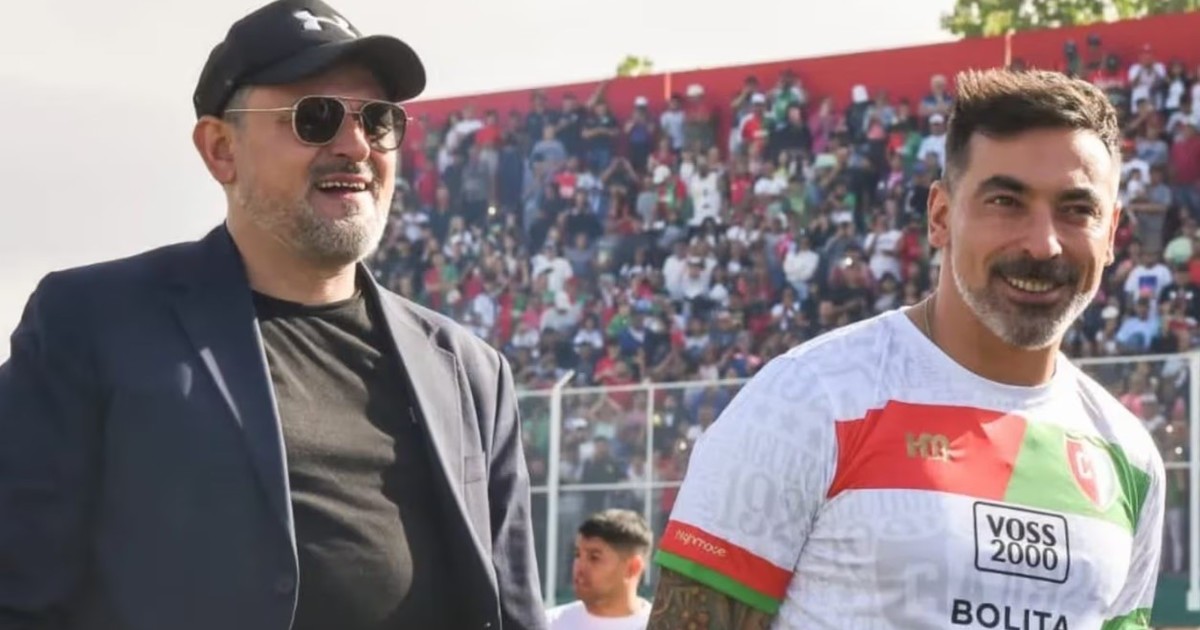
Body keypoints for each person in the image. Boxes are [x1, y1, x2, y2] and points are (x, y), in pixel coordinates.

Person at [0, 1, 544, 629]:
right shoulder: (94, 324)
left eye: (377, 119)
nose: (355, 146)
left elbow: (513, 612)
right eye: (315, 118)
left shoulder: (469, 372)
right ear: (220, 149)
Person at [649, 69, 1166, 629]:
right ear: (940, 216)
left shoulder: (1129, 455)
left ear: (1111, 233)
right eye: (1006, 201)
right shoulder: (807, 400)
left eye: (1077, 210)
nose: (1043, 244)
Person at [545, 509, 653, 630]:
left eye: (594, 558)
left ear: (633, 567)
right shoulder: (547, 624)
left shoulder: (661, 625)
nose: (579, 567)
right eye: (577, 554)